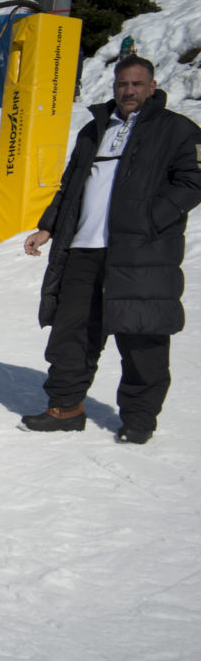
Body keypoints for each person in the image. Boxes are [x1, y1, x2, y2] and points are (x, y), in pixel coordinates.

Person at [21, 55, 201, 444]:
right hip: (84, 250)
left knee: (142, 336)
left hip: (142, 252)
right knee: (72, 333)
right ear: (114, 87)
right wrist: (48, 227)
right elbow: (71, 184)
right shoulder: (94, 129)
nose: (129, 91)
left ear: (152, 86)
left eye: (137, 84)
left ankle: (139, 419)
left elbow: (193, 181)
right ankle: (66, 408)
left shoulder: (177, 129)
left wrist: (149, 219)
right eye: (122, 84)